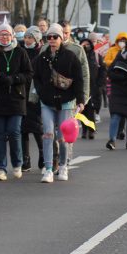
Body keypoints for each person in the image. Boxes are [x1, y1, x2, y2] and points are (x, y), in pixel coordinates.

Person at [32, 24, 84, 182]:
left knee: (62, 137)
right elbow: (36, 78)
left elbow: (79, 79)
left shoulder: (70, 56)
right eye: (49, 37)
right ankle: (48, 168)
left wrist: (81, 100)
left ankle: (63, 166)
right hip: (47, 102)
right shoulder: (41, 57)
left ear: (62, 38)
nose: (52, 40)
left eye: (55, 37)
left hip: (66, 102)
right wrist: (41, 93)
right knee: (48, 134)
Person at [0, 23, 32, 181]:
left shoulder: (20, 52)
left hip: (16, 99)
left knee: (14, 132)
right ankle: (0, 168)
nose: (4, 37)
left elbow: (28, 74)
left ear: (12, 36)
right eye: (1, 35)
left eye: (7, 34)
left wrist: (14, 79)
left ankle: (17, 163)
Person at [106, 40, 127, 150]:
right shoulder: (119, 57)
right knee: (116, 115)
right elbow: (110, 72)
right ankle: (112, 140)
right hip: (118, 91)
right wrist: (120, 77)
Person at [21, 26, 44, 172]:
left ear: (36, 39)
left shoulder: (41, 53)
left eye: (30, 37)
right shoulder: (20, 51)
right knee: (23, 129)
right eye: (26, 37)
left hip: (35, 93)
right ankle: (26, 159)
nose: (27, 40)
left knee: (37, 127)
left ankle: (43, 154)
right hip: (21, 93)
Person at [78, 37, 100, 140]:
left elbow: (102, 70)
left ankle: (91, 130)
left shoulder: (95, 56)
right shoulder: (77, 56)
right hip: (81, 86)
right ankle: (84, 130)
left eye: (87, 44)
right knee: (83, 109)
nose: (85, 46)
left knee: (90, 110)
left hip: (93, 86)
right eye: (83, 44)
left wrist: (100, 83)